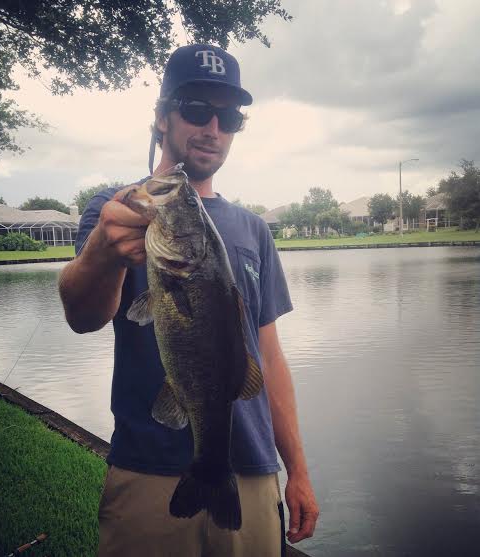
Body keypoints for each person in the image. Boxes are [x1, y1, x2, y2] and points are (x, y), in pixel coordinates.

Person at [59, 44, 319, 557]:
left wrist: (298, 471)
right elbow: (83, 317)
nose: (213, 128)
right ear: (161, 118)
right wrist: (103, 255)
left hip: (250, 469)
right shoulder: (114, 210)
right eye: (197, 109)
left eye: (228, 117)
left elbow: (268, 358)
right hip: (146, 471)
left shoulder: (252, 230)